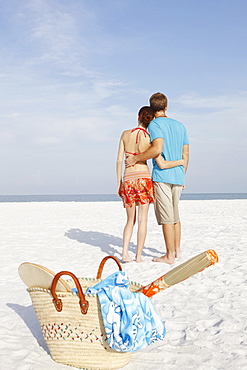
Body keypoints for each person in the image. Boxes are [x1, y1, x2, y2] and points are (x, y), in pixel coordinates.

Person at [126, 93, 189, 264]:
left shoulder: (154, 125)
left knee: (167, 218)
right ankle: (177, 251)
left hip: (163, 177)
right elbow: (186, 154)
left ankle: (169, 256)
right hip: (178, 175)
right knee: (175, 215)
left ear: (152, 108)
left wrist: (136, 158)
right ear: (166, 107)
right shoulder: (180, 125)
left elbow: (156, 149)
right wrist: (182, 174)